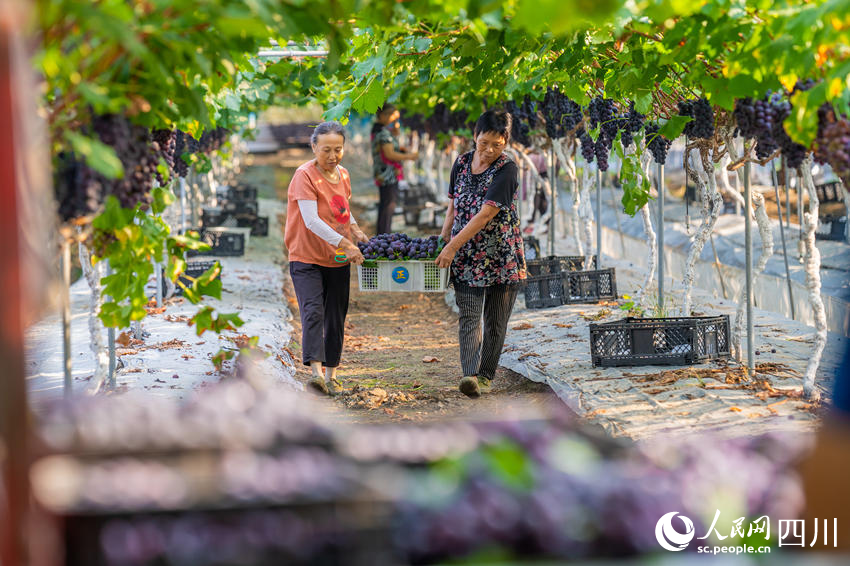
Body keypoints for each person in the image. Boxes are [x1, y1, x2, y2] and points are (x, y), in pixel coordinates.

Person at [435, 109, 527, 398]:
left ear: (506, 142)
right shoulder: (461, 163)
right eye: (484, 142)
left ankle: (486, 376)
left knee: (496, 321)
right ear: (474, 136)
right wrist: (442, 238)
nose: (488, 150)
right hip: (466, 255)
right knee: (469, 316)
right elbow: (452, 206)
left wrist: (452, 246)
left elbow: (485, 215)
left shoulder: (507, 169)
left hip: (501, 256)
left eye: (496, 145)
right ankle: (469, 375)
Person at [284, 121, 368, 395]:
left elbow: (341, 211)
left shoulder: (343, 175)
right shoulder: (304, 176)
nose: (332, 156)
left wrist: (355, 230)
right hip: (306, 255)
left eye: (338, 149)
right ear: (314, 147)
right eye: (326, 150)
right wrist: (346, 242)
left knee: (336, 314)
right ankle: (316, 374)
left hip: (337, 256)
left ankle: (333, 374)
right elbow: (311, 221)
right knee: (313, 311)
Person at [371, 104, 418, 234]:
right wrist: (410, 156)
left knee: (385, 206)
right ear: (384, 115)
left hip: (382, 173)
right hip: (388, 174)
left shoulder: (378, 130)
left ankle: (381, 237)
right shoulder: (383, 132)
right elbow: (389, 154)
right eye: (394, 118)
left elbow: (387, 149)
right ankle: (383, 237)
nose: (395, 121)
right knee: (388, 207)